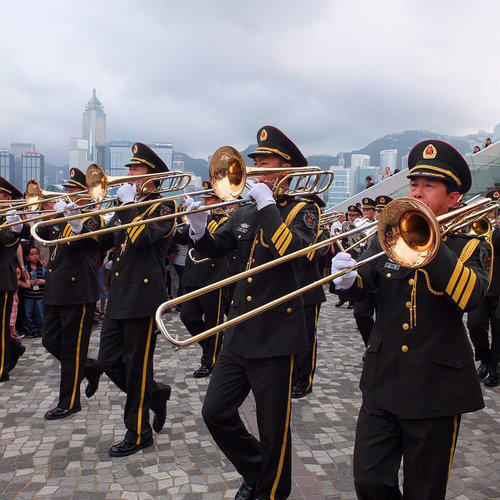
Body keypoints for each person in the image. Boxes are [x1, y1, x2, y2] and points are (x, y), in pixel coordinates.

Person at [331, 140, 490, 499]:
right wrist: (347, 280)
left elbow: (471, 296)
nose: (417, 193)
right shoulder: (389, 233)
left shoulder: (471, 243)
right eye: (414, 184)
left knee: (424, 491)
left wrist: (430, 244)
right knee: (369, 480)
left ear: (453, 198)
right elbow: (367, 285)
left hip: (437, 388)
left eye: (428, 187)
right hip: (383, 378)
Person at [189, 126, 318, 500]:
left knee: (274, 428)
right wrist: (199, 230)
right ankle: (256, 470)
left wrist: (268, 207)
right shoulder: (245, 208)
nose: (256, 167)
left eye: (265, 161)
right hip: (239, 330)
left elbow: (291, 250)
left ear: (286, 167)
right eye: (256, 160)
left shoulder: (304, 209)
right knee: (215, 412)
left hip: (277, 334)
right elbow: (219, 247)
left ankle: (271, 492)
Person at [93, 142, 176, 457]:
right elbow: (106, 239)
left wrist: (129, 206)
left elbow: (142, 238)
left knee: (137, 368)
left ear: (150, 176)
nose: (127, 174)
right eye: (128, 168)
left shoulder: (165, 206)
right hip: (118, 295)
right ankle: (155, 395)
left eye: (134, 169)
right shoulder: (126, 202)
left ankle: (138, 432)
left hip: (143, 297)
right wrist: (74, 220)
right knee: (108, 361)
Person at [35, 168, 104, 420]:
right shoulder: (62, 216)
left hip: (78, 291)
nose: (67, 193)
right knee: (49, 341)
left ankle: (69, 401)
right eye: (67, 189)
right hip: (56, 290)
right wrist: (39, 213)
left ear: (86, 193)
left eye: (73, 190)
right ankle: (90, 367)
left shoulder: (93, 216)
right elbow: (40, 235)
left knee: (72, 349)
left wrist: (77, 222)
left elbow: (93, 243)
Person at [176, 186, 230, 378]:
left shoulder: (224, 220)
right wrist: (189, 218)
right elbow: (180, 236)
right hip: (193, 275)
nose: (206, 203)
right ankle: (213, 348)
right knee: (187, 317)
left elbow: (214, 238)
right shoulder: (201, 217)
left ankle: (210, 361)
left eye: (210, 200)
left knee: (213, 322)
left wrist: (201, 220)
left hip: (213, 277)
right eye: (205, 199)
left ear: (220, 200)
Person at [292, 194, 327, 399]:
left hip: (309, 290)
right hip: (288, 288)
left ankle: (305, 382)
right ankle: (291, 376)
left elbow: (314, 254)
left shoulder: (322, 232)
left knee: (306, 338)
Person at [467, 189, 499, 388]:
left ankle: (495, 368)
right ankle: (484, 358)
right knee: (475, 325)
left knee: (498, 327)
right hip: (483, 284)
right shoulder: (478, 226)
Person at [0, 177, 31, 382]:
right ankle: (15, 348)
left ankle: (1, 369)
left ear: (7, 198)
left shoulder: (12, 221)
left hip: (3, 281)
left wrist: (13, 226)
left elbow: (7, 240)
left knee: (1, 328)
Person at [24, 247, 46, 337]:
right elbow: (23, 279)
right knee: (29, 313)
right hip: (29, 295)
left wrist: (43, 281)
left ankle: (41, 329)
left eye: (36, 254)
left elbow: (48, 279)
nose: (35, 256)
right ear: (27, 257)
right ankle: (32, 329)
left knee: (40, 312)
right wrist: (28, 282)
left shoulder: (42, 267)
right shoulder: (26, 268)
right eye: (32, 255)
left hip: (40, 295)